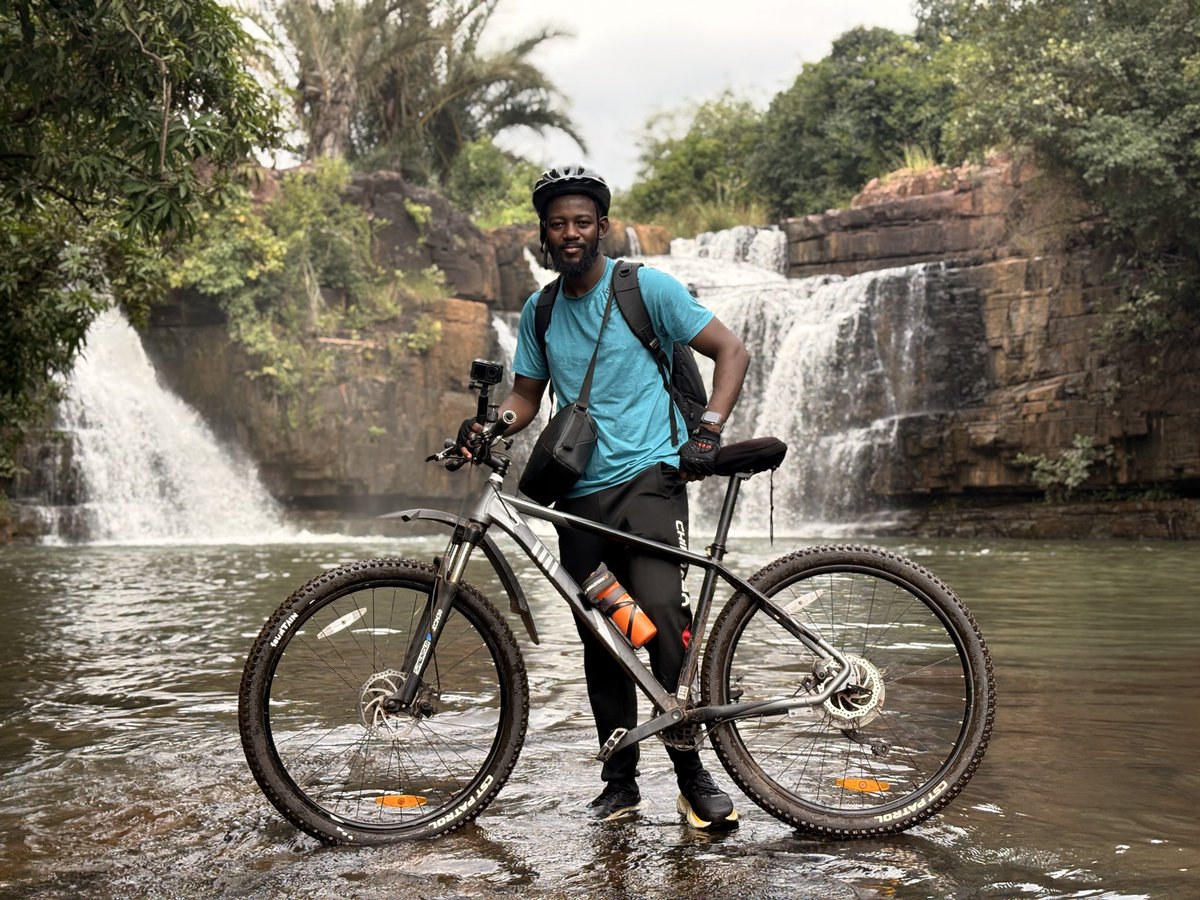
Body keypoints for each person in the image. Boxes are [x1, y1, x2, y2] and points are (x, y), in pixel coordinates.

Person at [461, 165, 750, 830]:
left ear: (602, 227)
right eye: (558, 223)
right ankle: (620, 782)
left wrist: (708, 433)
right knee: (606, 634)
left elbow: (730, 349)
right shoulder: (540, 311)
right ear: (544, 233)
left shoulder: (644, 287)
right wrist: (492, 426)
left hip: (651, 481)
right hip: (580, 497)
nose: (570, 233)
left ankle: (689, 771)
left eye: (581, 222)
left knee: (660, 617)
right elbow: (526, 398)